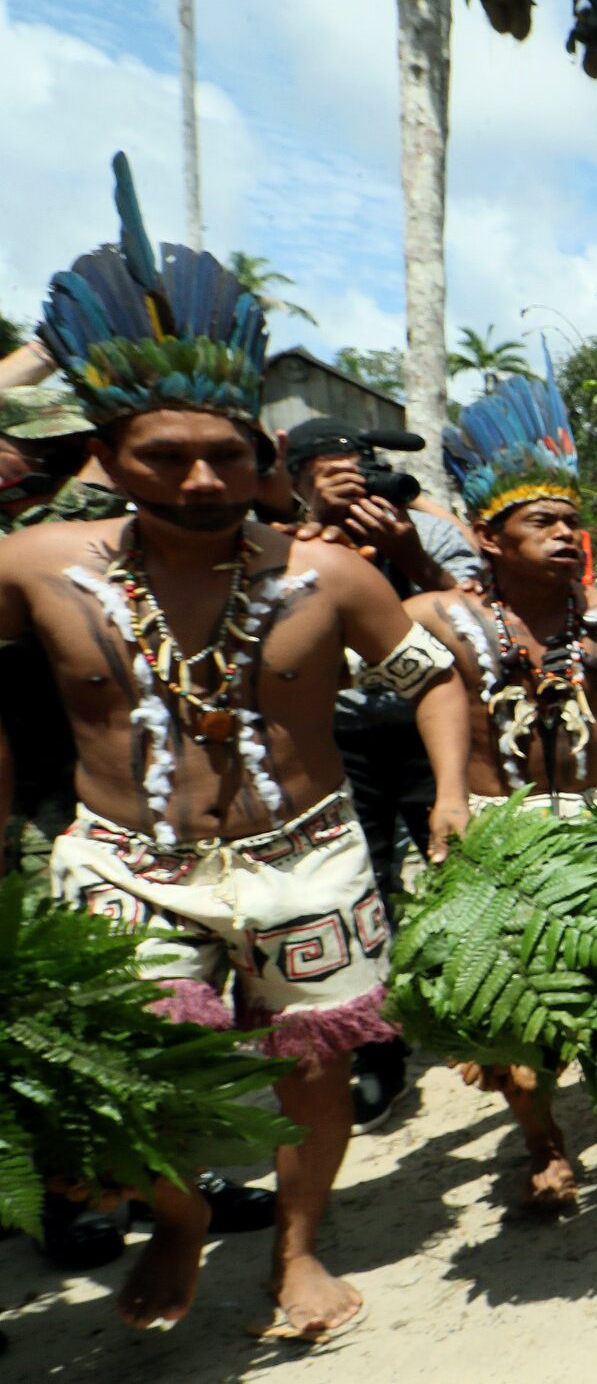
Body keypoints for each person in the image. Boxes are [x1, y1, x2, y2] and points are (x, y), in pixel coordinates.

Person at [0, 154, 471, 1340]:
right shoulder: (32, 571)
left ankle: (300, 1249)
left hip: (306, 853)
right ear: (106, 454)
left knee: (313, 1069)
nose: (203, 479)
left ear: (262, 454)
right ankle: (179, 1213)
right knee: (116, 1071)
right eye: (166, 456)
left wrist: (455, 787)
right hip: (122, 859)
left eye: (227, 453)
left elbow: (431, 676)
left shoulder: (329, 577)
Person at [1, 385, 283, 1271]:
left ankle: (184, 1187)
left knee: (155, 1029)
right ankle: (76, 1201)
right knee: (83, 1026)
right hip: (62, 805)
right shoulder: (40, 553)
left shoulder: (231, 536)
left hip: (131, 805)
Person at [405, 357, 597, 1208]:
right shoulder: (437, 621)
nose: (567, 534)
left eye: (573, 521)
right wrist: (450, 797)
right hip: (496, 827)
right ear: (490, 536)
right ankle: (542, 1139)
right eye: (543, 522)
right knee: (509, 1003)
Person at [286, 415, 486, 1131]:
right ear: (298, 477)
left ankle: (481, 1010)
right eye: (331, 471)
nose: (355, 484)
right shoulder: (281, 545)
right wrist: (316, 528)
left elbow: (476, 617)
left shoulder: (425, 532)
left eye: (359, 467)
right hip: (336, 738)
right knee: (356, 888)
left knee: (460, 868)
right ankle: (378, 1047)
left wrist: (407, 554)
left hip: (430, 727)